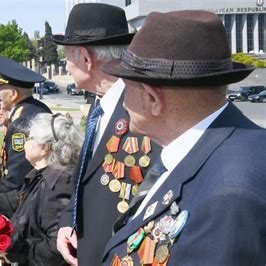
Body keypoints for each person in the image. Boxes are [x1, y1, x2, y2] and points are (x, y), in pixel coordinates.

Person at [100, 10, 265, 265]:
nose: (123, 100)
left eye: (127, 86)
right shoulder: (219, 148)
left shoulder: (227, 197)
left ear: (152, 99)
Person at [51, 4, 161, 265]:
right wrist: (69, 221)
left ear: (86, 59)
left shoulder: (143, 109)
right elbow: (85, 178)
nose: (65, 67)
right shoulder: (101, 105)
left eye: (67, 57)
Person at [0, 113, 83, 265]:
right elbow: (14, 201)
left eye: (30, 138)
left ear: (44, 147)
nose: (25, 142)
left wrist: (13, 253)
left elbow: (54, 250)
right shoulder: (42, 176)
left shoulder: (58, 185)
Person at [0, 55, 52, 193]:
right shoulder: (38, 108)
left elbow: (17, 176)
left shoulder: (21, 122)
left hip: (24, 202)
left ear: (13, 94)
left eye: (0, 87)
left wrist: (2, 206)